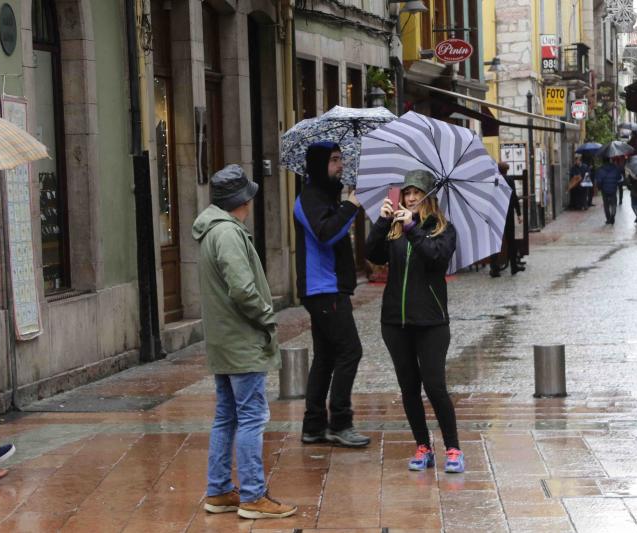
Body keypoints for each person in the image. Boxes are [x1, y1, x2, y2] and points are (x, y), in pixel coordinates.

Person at [192, 164, 296, 520]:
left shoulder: (213, 231)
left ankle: (219, 490)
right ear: (241, 201)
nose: (251, 203)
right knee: (252, 416)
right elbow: (242, 289)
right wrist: (266, 316)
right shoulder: (228, 234)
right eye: (248, 197)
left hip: (224, 341)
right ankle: (253, 495)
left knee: (226, 415)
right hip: (241, 340)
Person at [365, 169, 464, 474]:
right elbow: (372, 254)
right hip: (395, 321)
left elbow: (436, 258)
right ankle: (422, 446)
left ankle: (452, 449)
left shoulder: (443, 230)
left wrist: (413, 229)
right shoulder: (394, 227)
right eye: (406, 193)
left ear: (429, 197)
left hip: (432, 321)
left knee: (435, 386)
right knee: (409, 387)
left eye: (416, 193)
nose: (410, 198)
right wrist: (383, 223)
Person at [294, 141, 370, 448]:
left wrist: (345, 204)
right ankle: (340, 422)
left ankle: (313, 426)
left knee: (326, 357)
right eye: (334, 160)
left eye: (341, 159)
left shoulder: (324, 196)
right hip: (324, 290)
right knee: (350, 351)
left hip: (328, 288)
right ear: (318, 165)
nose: (340, 165)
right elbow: (326, 234)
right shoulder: (310, 198)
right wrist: (351, 205)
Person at [489, 162, 525, 277]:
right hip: (508, 214)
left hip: (496, 213)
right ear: (507, 170)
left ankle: (494, 269)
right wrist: (518, 213)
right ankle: (514, 267)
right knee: (511, 241)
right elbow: (514, 197)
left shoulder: (495, 180)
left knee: (495, 241)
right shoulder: (510, 180)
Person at [595, 156, 623, 224]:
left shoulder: (600, 169)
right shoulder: (615, 168)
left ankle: (608, 219)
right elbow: (619, 178)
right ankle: (612, 216)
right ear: (609, 160)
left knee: (606, 204)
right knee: (614, 204)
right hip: (613, 189)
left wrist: (599, 188)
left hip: (604, 190)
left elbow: (599, 181)